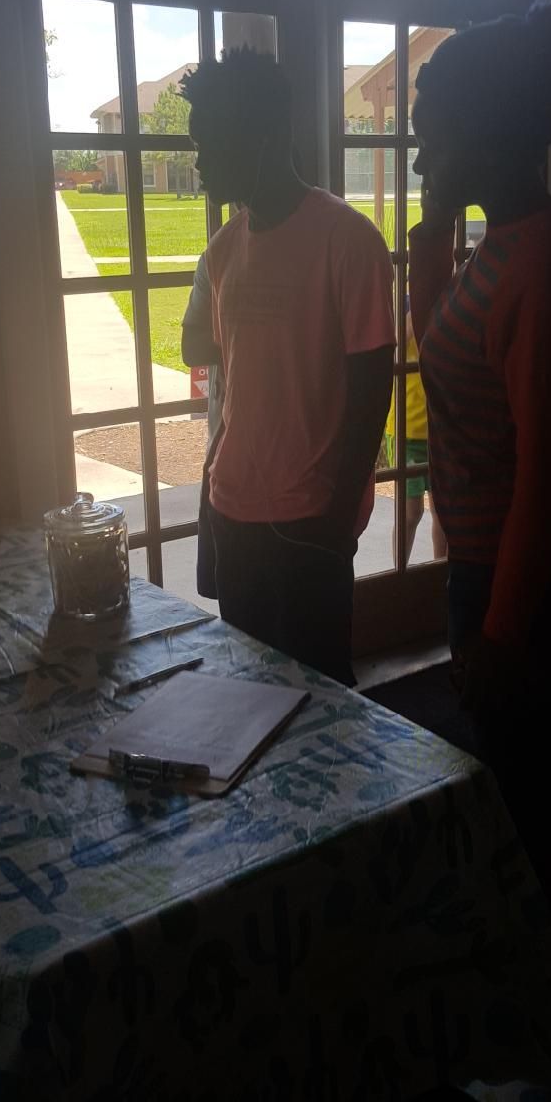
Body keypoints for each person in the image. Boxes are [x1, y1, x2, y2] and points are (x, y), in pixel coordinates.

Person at [409, 0, 551, 914]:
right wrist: (429, 239)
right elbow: (444, 371)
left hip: (512, 565)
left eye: (430, 138)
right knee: (497, 754)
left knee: (522, 765)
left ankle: (543, 946)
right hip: (484, 556)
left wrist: (500, 630)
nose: (418, 159)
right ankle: (514, 922)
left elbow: (546, 475)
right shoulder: (503, 245)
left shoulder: (544, 268)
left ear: (480, 136)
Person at [180, 48, 394, 685]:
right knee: (246, 693)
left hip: (308, 522)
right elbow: (226, 377)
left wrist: (333, 523)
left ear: (265, 137)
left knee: (323, 704)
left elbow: (370, 391)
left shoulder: (348, 242)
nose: (201, 164)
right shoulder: (222, 252)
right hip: (231, 509)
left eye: (211, 144)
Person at [384, 297, 446, 565]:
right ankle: (399, 574)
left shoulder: (448, 300)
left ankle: (439, 575)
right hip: (406, 426)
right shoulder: (404, 303)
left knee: (443, 513)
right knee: (410, 513)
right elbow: (392, 347)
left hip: (439, 424)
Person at [182, 252, 225, 600]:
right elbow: (191, 348)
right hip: (228, 451)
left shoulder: (218, 253)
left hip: (304, 464)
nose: (204, 191)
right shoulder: (219, 254)